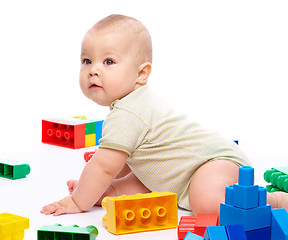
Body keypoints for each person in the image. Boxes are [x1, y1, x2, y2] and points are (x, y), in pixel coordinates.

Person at [41, 14, 288, 216]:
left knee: (208, 204)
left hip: (212, 163)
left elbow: (104, 166)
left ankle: (273, 201)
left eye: (108, 61)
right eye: (86, 61)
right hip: (176, 173)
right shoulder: (130, 106)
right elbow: (123, 163)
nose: (93, 70)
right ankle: (106, 192)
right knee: (127, 186)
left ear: (141, 73)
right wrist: (96, 188)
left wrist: (78, 201)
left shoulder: (129, 112)